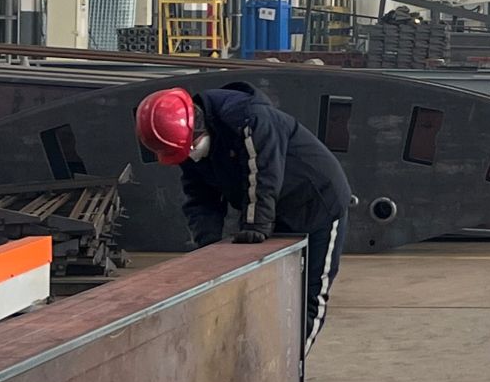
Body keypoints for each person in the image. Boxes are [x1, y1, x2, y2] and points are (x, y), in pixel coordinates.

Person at [135, 81, 351, 359]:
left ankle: (288, 371)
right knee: (269, 295)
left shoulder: (249, 118)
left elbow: (263, 173)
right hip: (277, 210)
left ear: (198, 126)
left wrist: (255, 225)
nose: (191, 156)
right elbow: (200, 198)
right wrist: (207, 250)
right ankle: (262, 368)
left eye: (192, 148)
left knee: (308, 295)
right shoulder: (187, 144)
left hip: (318, 203)